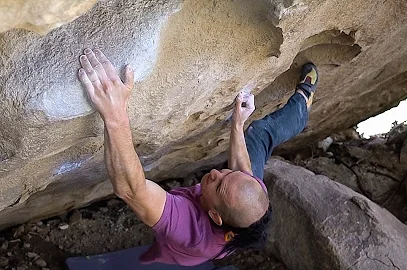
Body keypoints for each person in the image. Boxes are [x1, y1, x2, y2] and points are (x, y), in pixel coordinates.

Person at [77, 48, 318, 267]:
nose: (216, 172)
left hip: (183, 250)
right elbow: (243, 170)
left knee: (160, 248)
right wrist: (237, 123)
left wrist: (114, 112)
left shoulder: (190, 230)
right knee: (259, 133)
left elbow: (131, 190)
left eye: (219, 184)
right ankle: (302, 103)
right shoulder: (249, 198)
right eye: (227, 174)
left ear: (214, 215)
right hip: (229, 211)